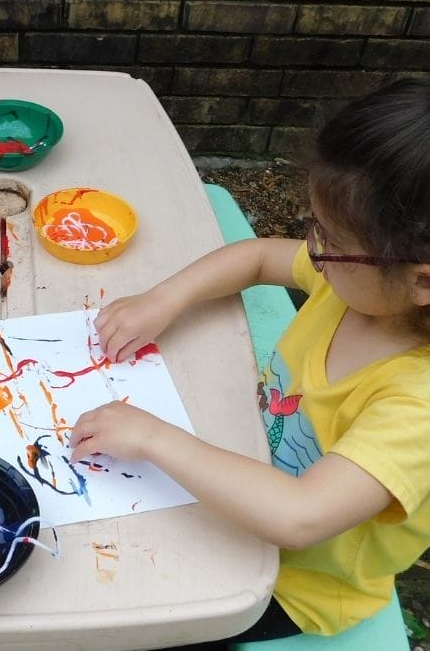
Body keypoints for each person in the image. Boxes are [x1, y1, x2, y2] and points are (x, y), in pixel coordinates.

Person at [71, 79, 430, 647]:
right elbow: (260, 255)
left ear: (422, 282)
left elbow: (299, 516)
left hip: (295, 581)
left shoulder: (417, 408)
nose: (311, 249)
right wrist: (164, 299)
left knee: (120, 618)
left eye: (330, 239)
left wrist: (155, 439)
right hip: (240, 481)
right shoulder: (354, 286)